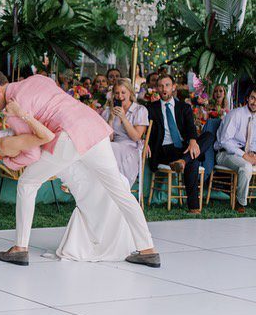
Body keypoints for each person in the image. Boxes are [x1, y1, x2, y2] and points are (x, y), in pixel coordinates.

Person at [0, 69, 158, 267]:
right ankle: (148, 250)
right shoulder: (38, 79)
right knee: (120, 192)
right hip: (94, 127)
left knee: (27, 183)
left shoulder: (13, 107)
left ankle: (20, 248)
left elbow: (33, 153)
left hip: (69, 135)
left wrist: (7, 159)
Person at [146, 74, 215, 214]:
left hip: (182, 148)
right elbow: (144, 129)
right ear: (157, 89)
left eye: (167, 85)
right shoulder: (151, 108)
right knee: (193, 160)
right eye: (160, 86)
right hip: (163, 149)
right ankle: (194, 206)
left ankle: (183, 161)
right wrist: (144, 141)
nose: (164, 88)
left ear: (173, 87)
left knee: (209, 135)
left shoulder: (184, 107)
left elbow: (190, 127)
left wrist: (193, 141)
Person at [214, 86, 256, 213]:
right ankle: (241, 203)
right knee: (246, 167)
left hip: (244, 154)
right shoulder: (235, 114)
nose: (255, 102)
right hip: (225, 154)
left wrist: (253, 153)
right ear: (247, 98)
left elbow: (253, 141)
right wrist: (244, 155)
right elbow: (224, 141)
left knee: (248, 163)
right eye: (253, 98)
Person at [102, 79, 149, 186]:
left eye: (123, 92)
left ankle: (115, 186)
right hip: (113, 145)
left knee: (111, 149)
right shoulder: (108, 111)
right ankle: (106, 188)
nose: (120, 96)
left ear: (130, 93)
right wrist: (110, 119)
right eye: (117, 93)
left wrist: (123, 117)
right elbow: (109, 139)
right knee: (106, 148)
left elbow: (136, 137)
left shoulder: (140, 110)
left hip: (131, 148)